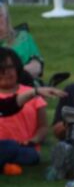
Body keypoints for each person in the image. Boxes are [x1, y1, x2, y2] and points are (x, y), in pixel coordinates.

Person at [0, 48, 62, 176]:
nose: (6, 72)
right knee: (10, 147)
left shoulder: (28, 94)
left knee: (23, 152)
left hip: (25, 147)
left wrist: (33, 141)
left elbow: (8, 106)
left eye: (10, 67)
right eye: (1, 68)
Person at [0, 2, 44, 79]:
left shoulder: (22, 38)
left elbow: (37, 66)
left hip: (24, 84)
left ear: (6, 18)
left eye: (0, 15)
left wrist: (14, 74)